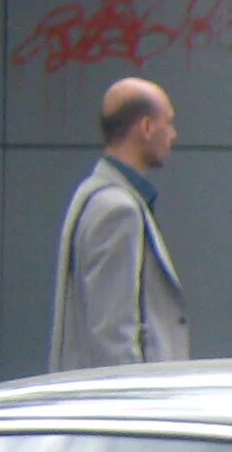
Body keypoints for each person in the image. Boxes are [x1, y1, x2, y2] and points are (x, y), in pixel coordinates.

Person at [51, 77, 190, 370]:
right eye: (169, 123)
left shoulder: (96, 192)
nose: (174, 134)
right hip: (127, 405)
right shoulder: (117, 210)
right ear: (147, 127)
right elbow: (112, 334)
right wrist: (133, 408)